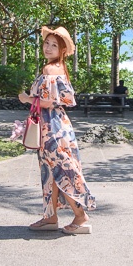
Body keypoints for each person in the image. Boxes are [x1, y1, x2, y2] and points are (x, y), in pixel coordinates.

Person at [18, 26, 96, 235]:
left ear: (62, 50)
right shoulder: (58, 68)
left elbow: (48, 101)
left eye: (54, 45)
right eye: (46, 43)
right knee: (52, 172)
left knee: (62, 171)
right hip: (55, 125)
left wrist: (27, 98)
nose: (48, 47)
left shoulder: (50, 70)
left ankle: (81, 217)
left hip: (52, 127)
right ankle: (50, 217)